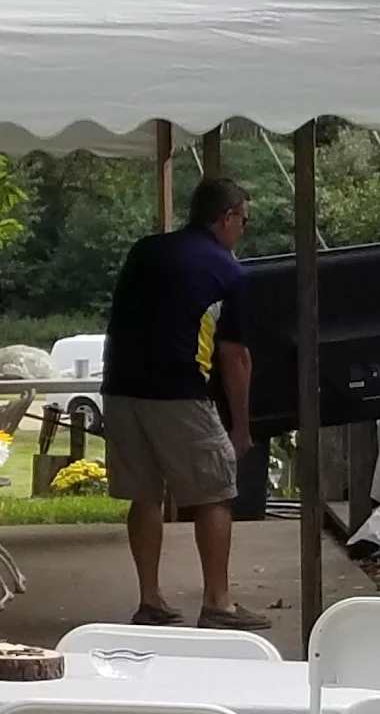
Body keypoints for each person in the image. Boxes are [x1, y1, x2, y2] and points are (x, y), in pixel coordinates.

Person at [100, 176, 268, 630]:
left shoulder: (145, 250)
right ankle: (218, 603)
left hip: (120, 387)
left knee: (144, 495)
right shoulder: (228, 272)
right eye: (244, 220)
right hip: (179, 391)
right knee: (215, 493)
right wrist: (241, 427)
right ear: (227, 217)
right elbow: (236, 356)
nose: (243, 229)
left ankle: (150, 599)